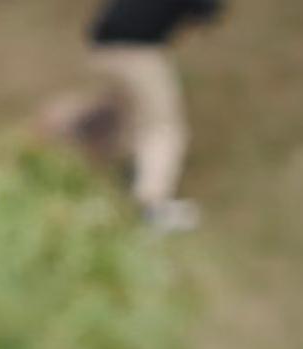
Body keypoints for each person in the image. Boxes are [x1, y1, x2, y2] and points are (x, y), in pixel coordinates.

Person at [88, 0, 225, 231]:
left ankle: (106, 185)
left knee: (128, 123)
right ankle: (151, 205)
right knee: (164, 127)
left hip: (103, 46)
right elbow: (206, 12)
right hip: (137, 49)